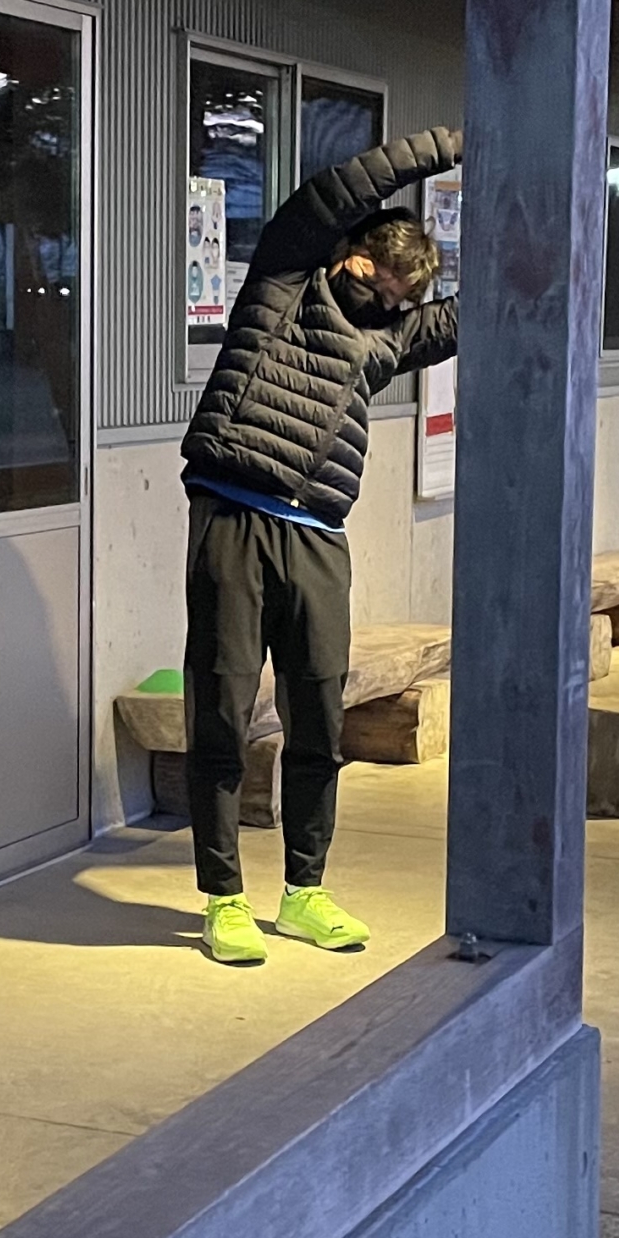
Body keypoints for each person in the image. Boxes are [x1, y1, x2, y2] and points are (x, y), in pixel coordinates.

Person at [178, 127, 462, 966]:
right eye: (393, 285)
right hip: (233, 516)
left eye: (409, 301)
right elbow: (325, 197)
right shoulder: (283, 281)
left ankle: (305, 890)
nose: (397, 306)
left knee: (319, 719)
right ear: (358, 260)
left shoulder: (384, 344)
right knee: (224, 713)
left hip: (318, 537)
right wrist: (444, 147)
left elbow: (478, 311)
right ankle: (223, 898)